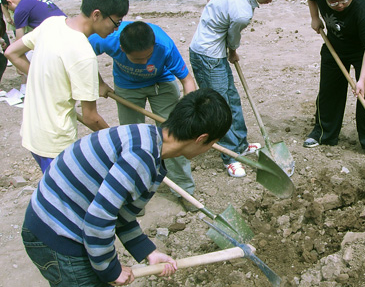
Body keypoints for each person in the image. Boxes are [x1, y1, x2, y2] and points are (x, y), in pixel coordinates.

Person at [21, 88, 232, 287]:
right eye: (213, 143)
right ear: (201, 139)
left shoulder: (148, 139)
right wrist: (110, 270)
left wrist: (148, 252)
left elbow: (119, 212)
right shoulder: (140, 158)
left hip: (57, 222)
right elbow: (98, 218)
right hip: (56, 235)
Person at [5, 0, 129, 173]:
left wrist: (45, 77)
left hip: (31, 132)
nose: (116, 28)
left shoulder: (52, 23)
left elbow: (12, 52)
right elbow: (90, 117)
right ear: (96, 14)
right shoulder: (84, 54)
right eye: (116, 22)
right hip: (55, 143)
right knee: (64, 199)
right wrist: (118, 141)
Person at [89, 21, 200, 212]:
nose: (144, 63)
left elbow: (187, 80)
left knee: (174, 137)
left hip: (162, 84)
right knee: (131, 141)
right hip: (127, 87)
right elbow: (84, 54)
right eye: (138, 59)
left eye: (147, 57)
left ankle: (184, 190)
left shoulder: (163, 45)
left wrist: (187, 113)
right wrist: (98, 82)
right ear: (122, 49)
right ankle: (134, 194)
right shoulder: (108, 39)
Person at [189, 0, 285, 177]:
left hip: (214, 52)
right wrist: (233, 52)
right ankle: (230, 157)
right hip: (207, 55)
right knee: (219, 107)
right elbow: (233, 38)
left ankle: (240, 144)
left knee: (232, 98)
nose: (269, 2)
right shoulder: (243, 12)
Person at [303, 0, 365, 158]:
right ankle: (324, 133)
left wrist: (361, 80)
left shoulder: (362, 5)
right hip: (335, 47)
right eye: (334, 3)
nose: (340, 5)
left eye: (344, 0)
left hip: (362, 50)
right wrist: (314, 17)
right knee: (328, 90)